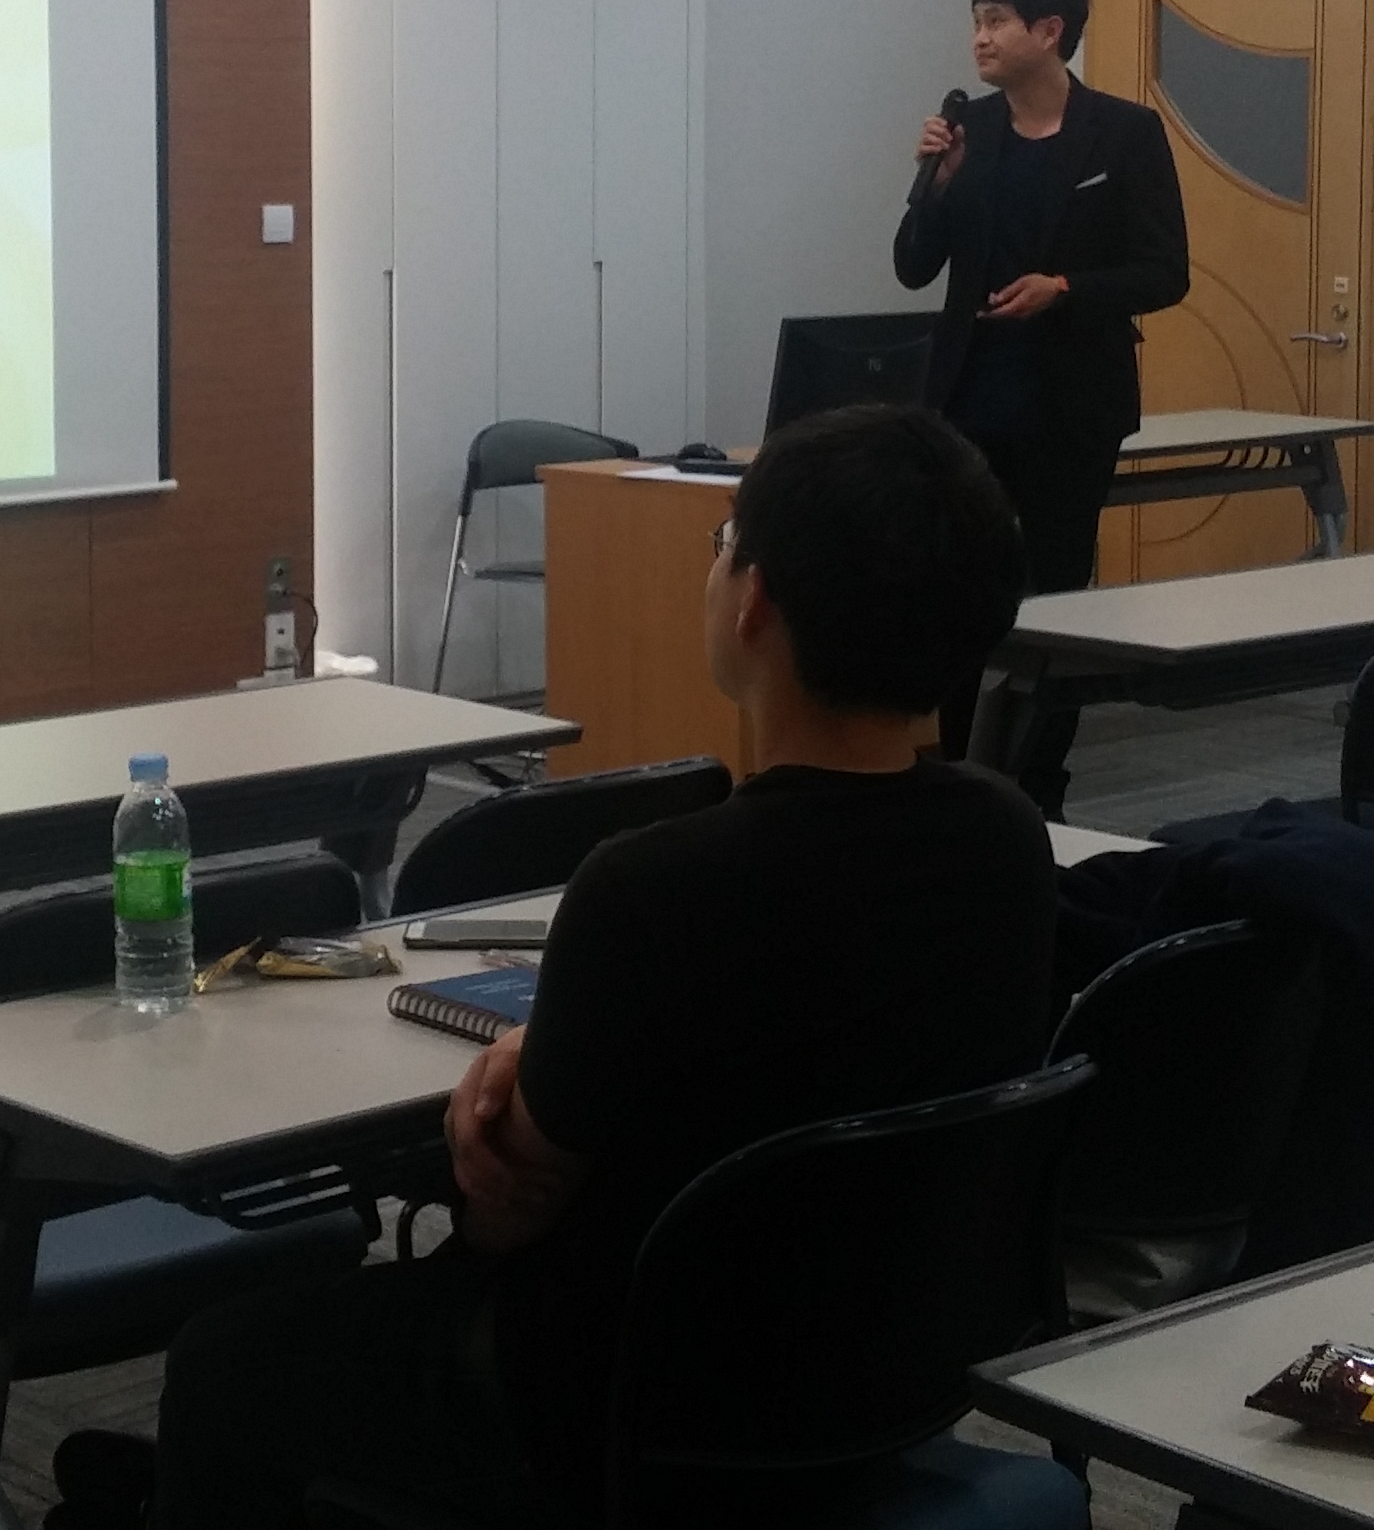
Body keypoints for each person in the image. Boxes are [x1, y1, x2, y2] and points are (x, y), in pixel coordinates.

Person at [109, 405, 1057, 1530]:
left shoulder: (652, 888)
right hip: (882, 1378)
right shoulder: (1007, 841)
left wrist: (526, 1072)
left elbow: (504, 1211)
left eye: (723, 545)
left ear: (753, 602)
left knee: (224, 1360)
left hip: (622, 1404)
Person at [893, 0, 1191, 596]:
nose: (980, 38)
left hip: (1072, 404)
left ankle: (1050, 670)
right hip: (967, 397)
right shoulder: (968, 129)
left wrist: (1062, 289)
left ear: (1050, 31)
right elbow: (913, 268)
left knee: (1056, 579)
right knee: (956, 579)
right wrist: (936, 189)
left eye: (997, 20)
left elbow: (1165, 273)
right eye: (976, 21)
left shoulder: (1124, 132)